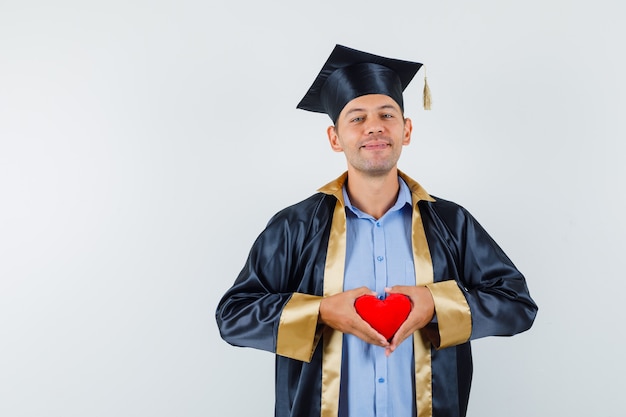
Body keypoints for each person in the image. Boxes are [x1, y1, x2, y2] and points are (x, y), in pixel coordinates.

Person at [215, 44, 537, 417]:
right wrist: (321, 312)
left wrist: (436, 304)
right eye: (356, 118)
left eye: (387, 114)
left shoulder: (451, 223)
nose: (374, 126)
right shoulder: (295, 226)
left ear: (407, 129)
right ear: (335, 138)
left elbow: (517, 303)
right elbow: (234, 316)